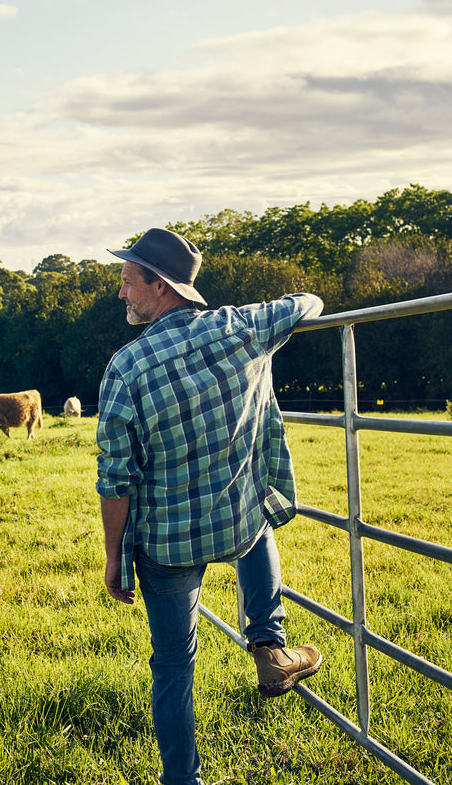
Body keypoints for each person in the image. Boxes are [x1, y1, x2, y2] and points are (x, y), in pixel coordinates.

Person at [95, 226, 325, 785]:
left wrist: (112, 560)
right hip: (236, 525)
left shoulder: (126, 368)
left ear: (162, 286)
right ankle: (270, 646)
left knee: (172, 665)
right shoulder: (242, 326)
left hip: (167, 546)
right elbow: (310, 301)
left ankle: (181, 781)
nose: (122, 293)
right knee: (259, 514)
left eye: (128, 282)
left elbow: (115, 481)